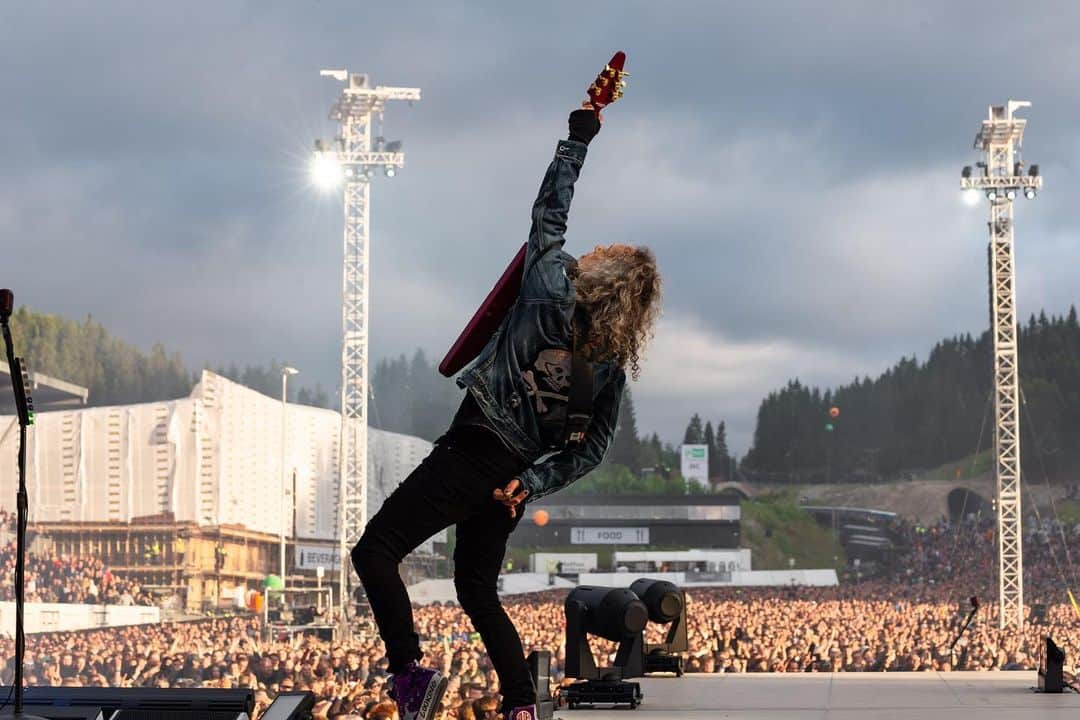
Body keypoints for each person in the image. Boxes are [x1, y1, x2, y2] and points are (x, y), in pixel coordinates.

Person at [351, 106, 662, 720]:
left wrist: (578, 138)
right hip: (510, 481)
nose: (592, 248)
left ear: (604, 274)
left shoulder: (547, 287)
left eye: (605, 250)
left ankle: (409, 674)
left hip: (472, 452)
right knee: (476, 591)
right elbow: (591, 450)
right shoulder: (608, 368)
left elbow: (549, 213)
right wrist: (533, 481)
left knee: (376, 551)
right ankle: (521, 703)